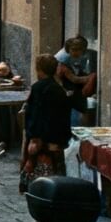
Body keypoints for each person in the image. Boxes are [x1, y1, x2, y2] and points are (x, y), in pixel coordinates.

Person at [22, 53, 73, 190]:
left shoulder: (39, 88)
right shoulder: (58, 89)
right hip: (57, 139)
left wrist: (34, 141)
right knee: (56, 176)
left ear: (39, 69)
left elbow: (38, 116)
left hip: (43, 140)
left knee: (40, 180)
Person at [55, 35, 97, 125]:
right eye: (73, 50)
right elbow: (75, 79)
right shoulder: (63, 63)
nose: (76, 52)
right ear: (68, 50)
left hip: (76, 94)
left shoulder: (78, 60)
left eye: (78, 50)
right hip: (67, 94)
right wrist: (90, 77)